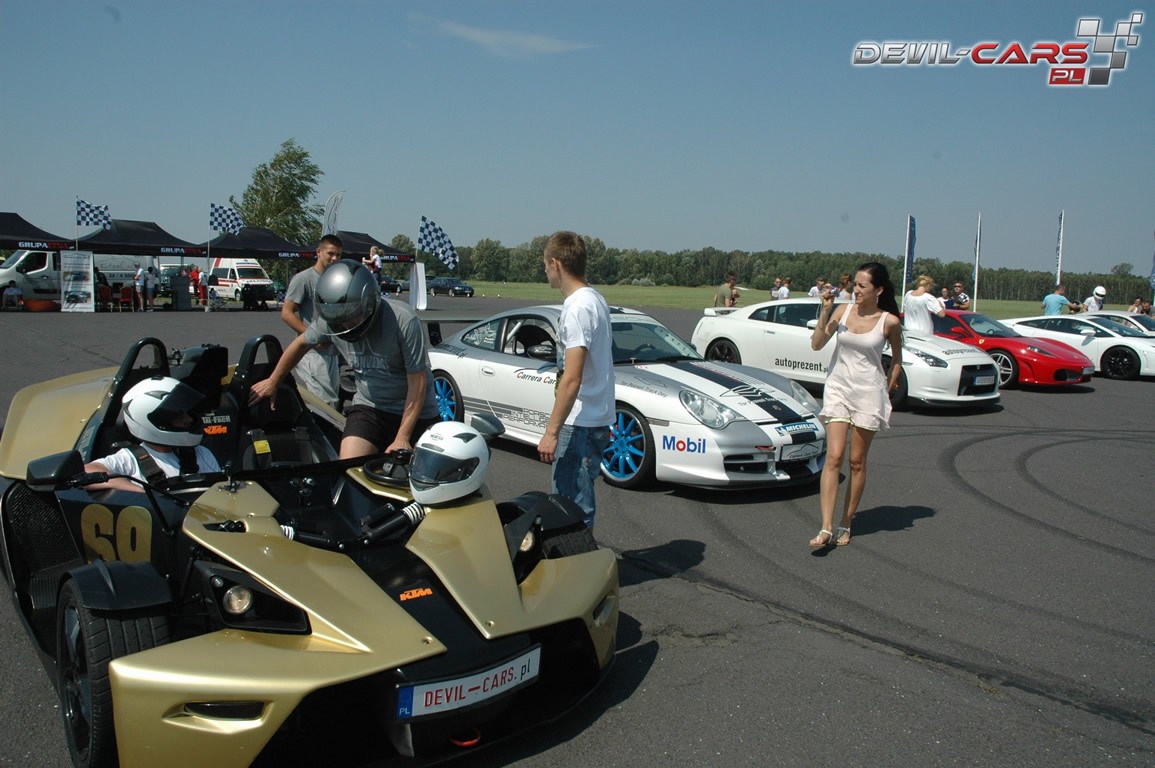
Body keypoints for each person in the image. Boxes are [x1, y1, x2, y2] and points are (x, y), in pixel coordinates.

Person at [249, 258, 439, 459]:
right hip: (371, 407)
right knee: (348, 465)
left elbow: (417, 382)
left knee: (420, 470)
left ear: (368, 303)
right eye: (339, 320)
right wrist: (273, 381)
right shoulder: (332, 321)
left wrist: (402, 437)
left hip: (417, 412)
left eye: (351, 317)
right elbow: (301, 344)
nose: (344, 324)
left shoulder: (402, 320)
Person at [808, 262, 903, 548]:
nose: (856, 290)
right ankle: (825, 528)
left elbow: (897, 361)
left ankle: (845, 522)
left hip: (868, 394)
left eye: (862, 286)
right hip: (838, 389)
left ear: (879, 290)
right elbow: (816, 344)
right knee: (834, 457)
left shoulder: (889, 321)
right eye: (855, 285)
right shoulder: (842, 311)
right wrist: (825, 310)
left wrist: (887, 390)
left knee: (856, 461)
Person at [536, 231, 614, 530]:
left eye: (546, 265)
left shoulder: (577, 308)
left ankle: (577, 556)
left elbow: (572, 378)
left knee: (569, 507)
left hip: (580, 421)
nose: (545, 271)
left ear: (556, 263)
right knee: (580, 502)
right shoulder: (595, 299)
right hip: (596, 417)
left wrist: (551, 432)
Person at [84, 376, 221, 493]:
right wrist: (142, 493)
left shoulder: (201, 453)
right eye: (178, 416)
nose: (189, 419)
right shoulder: (130, 460)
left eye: (187, 413)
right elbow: (87, 471)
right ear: (157, 422)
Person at [282, 235, 343, 410]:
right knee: (324, 404)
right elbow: (287, 313)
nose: (334, 258)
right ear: (319, 252)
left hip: (332, 350)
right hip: (312, 352)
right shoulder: (304, 279)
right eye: (330, 253)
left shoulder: (337, 280)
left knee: (333, 404)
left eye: (338, 255)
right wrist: (312, 336)